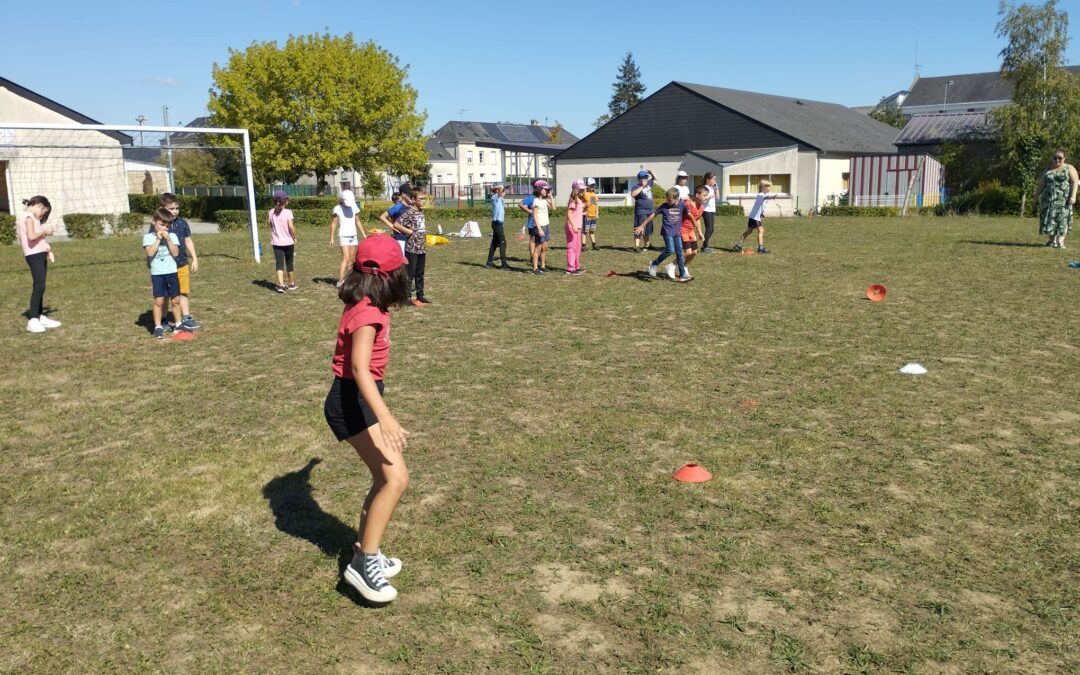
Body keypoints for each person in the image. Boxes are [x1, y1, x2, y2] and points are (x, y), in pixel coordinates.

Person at [323, 234, 411, 604]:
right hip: (352, 401)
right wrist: (386, 417)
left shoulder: (368, 301)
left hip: (359, 397)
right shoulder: (368, 313)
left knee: (383, 478)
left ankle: (365, 552)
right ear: (388, 276)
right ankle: (364, 564)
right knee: (395, 478)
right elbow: (358, 367)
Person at [17, 196, 61, 333]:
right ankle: (33, 320)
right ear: (39, 205)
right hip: (34, 255)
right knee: (39, 285)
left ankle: (40, 316)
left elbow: (36, 238)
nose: (42, 216)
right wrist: (45, 231)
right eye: (43, 212)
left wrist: (47, 250)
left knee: (41, 286)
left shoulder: (31, 218)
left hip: (39, 254)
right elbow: (31, 236)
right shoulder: (28, 217)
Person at [142, 207, 188, 339]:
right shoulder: (148, 237)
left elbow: (175, 253)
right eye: (162, 225)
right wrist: (158, 239)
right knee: (159, 301)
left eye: (167, 226)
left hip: (172, 272)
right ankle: (158, 327)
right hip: (158, 274)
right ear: (153, 222)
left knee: (176, 300)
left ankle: (178, 324)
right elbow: (150, 253)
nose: (164, 228)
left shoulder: (172, 236)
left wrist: (168, 239)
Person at [158, 193, 201, 330]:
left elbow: (188, 240)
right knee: (165, 294)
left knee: (183, 291)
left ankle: (186, 317)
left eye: (177, 208)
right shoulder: (159, 225)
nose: (175, 211)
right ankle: (164, 320)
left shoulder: (182, 223)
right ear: (162, 209)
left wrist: (194, 258)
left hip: (181, 264)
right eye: (171, 208)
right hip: (164, 266)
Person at [635, 188, 691, 282]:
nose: (668, 201)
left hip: (677, 232)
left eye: (670, 200)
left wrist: (694, 228)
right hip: (667, 231)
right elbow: (653, 215)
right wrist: (642, 225)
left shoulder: (682, 205)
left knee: (679, 253)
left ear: (676, 198)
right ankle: (654, 264)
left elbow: (688, 215)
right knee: (670, 250)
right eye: (667, 199)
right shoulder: (664, 206)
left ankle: (682, 275)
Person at [1036, 148, 1078, 249]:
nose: (1057, 160)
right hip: (1048, 200)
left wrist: (1073, 196)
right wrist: (1035, 195)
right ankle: (1051, 241)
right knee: (1049, 220)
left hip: (1063, 200)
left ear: (1064, 158)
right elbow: (1042, 184)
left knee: (1062, 220)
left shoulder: (1069, 168)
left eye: (1060, 158)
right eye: (1055, 158)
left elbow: (1075, 182)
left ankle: (1060, 242)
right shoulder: (1048, 169)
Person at [399, 186, 432, 304]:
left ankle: (420, 294)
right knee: (410, 273)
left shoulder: (421, 211)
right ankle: (406, 296)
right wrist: (407, 231)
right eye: (421, 199)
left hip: (421, 247)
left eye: (424, 199)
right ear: (413, 199)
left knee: (420, 272)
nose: (423, 201)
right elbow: (397, 224)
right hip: (412, 247)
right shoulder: (409, 212)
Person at [330, 189, 366, 287]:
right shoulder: (337, 208)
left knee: (351, 259)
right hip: (343, 236)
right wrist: (332, 238)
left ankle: (350, 280)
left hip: (353, 235)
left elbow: (357, 222)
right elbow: (333, 223)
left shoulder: (354, 207)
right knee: (345, 258)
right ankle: (340, 281)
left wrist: (363, 234)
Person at [733, 180, 777, 254]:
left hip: (754, 216)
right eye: (767, 186)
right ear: (762, 187)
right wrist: (772, 197)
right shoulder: (761, 195)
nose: (769, 188)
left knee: (749, 231)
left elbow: (761, 206)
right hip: (755, 217)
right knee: (761, 230)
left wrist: (761, 213)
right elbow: (766, 197)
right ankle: (761, 248)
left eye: (769, 186)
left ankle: (738, 245)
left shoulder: (763, 195)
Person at [269, 190, 297, 293]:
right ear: (285, 201)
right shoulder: (288, 212)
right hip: (288, 242)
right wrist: (294, 237)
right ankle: (291, 283)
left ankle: (281, 285)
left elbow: (271, 225)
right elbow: (291, 227)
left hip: (276, 242)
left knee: (279, 264)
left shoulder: (271, 212)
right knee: (289, 262)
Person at [679, 185, 707, 276]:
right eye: (704, 195)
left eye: (706, 195)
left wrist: (700, 233)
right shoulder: (688, 204)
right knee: (688, 252)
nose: (706, 198)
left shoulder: (701, 207)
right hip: (682, 229)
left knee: (694, 252)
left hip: (691, 231)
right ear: (697, 195)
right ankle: (672, 265)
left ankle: (685, 267)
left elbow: (697, 220)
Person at [530, 180, 554, 274]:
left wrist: (551, 196)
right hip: (539, 227)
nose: (546, 191)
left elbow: (553, 208)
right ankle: (535, 268)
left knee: (545, 247)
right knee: (538, 248)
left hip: (546, 225)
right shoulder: (536, 201)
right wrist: (539, 229)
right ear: (540, 190)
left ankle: (543, 266)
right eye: (545, 190)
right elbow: (534, 216)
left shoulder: (544, 201)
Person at [379, 185, 411, 255]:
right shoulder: (397, 207)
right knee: (402, 260)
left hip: (411, 238)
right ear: (403, 195)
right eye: (410, 194)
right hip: (400, 237)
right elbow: (382, 217)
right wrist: (392, 226)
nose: (412, 196)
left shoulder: (411, 206)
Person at [631, 169, 656, 252]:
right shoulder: (636, 187)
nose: (644, 180)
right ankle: (636, 246)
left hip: (650, 211)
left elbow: (655, 179)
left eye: (645, 178)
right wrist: (642, 186)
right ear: (639, 179)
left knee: (647, 229)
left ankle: (647, 245)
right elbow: (633, 194)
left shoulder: (649, 184)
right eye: (642, 178)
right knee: (639, 228)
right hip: (641, 211)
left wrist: (651, 173)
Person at [564, 180, 586, 275]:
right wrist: (573, 226)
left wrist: (584, 213)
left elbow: (577, 213)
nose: (582, 191)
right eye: (580, 190)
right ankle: (570, 268)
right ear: (576, 190)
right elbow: (569, 214)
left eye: (583, 190)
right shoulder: (573, 201)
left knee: (578, 247)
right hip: (573, 227)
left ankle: (576, 266)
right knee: (572, 247)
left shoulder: (579, 200)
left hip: (578, 227)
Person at [485, 184, 509, 269]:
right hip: (497, 223)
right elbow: (500, 188)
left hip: (499, 223)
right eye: (503, 191)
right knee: (503, 243)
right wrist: (499, 187)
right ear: (498, 191)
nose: (504, 192)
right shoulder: (495, 197)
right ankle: (504, 264)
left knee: (494, 243)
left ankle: (489, 262)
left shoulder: (500, 199)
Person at [701, 172, 719, 253]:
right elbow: (702, 200)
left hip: (711, 210)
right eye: (713, 179)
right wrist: (708, 198)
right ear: (708, 180)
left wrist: (716, 188)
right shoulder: (705, 188)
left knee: (712, 229)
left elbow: (718, 197)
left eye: (715, 179)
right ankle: (705, 247)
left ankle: (704, 246)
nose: (715, 181)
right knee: (709, 228)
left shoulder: (711, 188)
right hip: (706, 210)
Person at [583, 178, 600, 250]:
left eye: (593, 185)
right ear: (587, 186)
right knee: (585, 231)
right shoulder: (584, 194)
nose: (592, 186)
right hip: (587, 215)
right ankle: (583, 245)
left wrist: (596, 214)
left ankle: (594, 244)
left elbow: (595, 204)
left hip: (593, 216)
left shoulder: (593, 194)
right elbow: (582, 203)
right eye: (591, 185)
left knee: (592, 230)